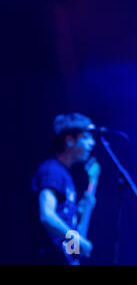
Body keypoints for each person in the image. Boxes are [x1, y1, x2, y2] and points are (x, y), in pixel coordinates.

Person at [32, 113, 99, 264]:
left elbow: (70, 240)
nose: (92, 143)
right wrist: (80, 242)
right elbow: (47, 216)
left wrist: (86, 210)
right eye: (86, 137)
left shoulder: (66, 176)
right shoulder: (51, 170)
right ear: (69, 140)